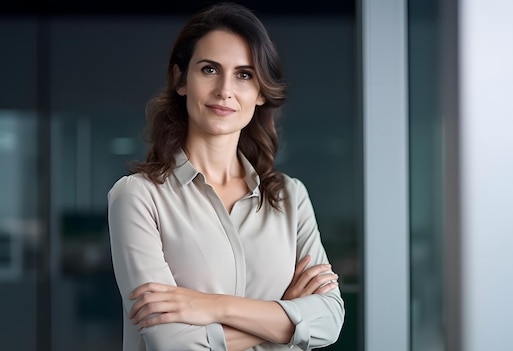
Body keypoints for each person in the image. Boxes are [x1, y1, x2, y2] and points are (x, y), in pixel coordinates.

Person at [107, 2, 345, 350]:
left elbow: (329, 319)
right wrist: (287, 316)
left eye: (244, 74)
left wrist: (210, 306)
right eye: (209, 70)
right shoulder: (138, 197)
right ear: (180, 80)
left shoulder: (290, 197)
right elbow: (174, 344)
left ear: (261, 92)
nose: (225, 90)